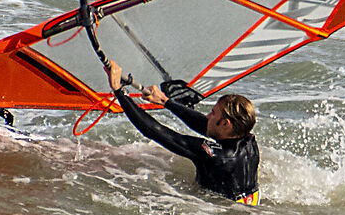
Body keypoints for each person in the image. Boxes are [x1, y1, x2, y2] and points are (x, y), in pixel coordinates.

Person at [105, 59, 259, 204]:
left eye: (213, 113)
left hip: (223, 212)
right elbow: (205, 125)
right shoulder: (249, 141)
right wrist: (165, 101)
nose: (207, 116)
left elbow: (155, 132)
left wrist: (118, 91)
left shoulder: (217, 156)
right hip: (247, 205)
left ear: (226, 124)